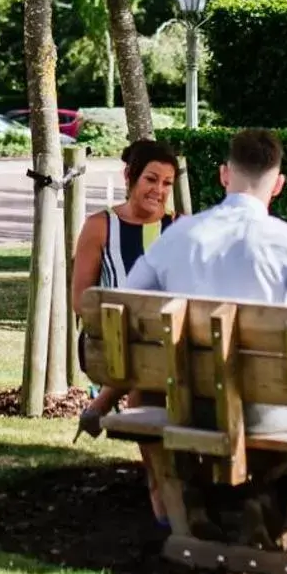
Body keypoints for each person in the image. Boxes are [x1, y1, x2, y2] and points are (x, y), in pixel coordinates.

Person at [126, 127, 287, 450]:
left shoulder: (176, 236)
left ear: (224, 174)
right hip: (257, 410)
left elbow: (126, 302)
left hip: (183, 402)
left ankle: (258, 496)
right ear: (278, 184)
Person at [72, 140, 179, 439]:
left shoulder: (180, 227)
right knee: (151, 362)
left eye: (167, 183)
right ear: (129, 176)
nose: (159, 190)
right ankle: (156, 477)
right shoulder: (100, 225)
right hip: (109, 340)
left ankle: (102, 405)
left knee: (157, 359)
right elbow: (81, 301)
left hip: (164, 342)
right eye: (151, 179)